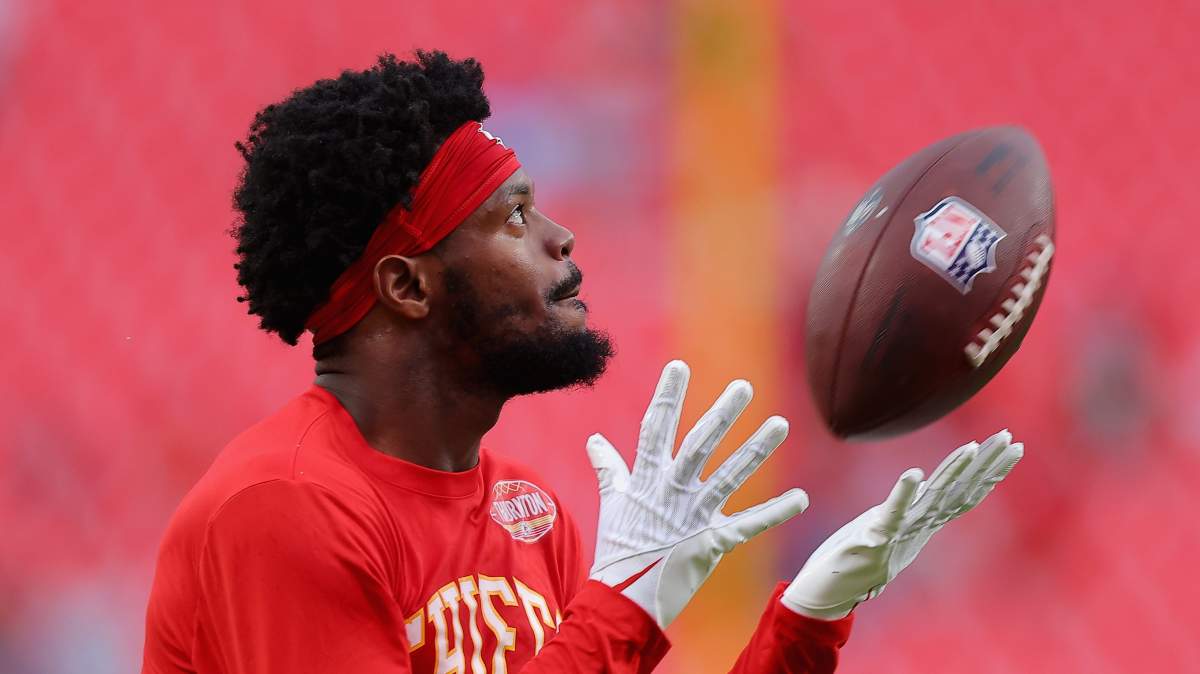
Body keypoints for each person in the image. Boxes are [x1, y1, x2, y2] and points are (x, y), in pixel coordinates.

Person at [142, 51, 1023, 673]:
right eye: (515, 219)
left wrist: (807, 622)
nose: (562, 238)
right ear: (408, 286)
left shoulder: (525, 513)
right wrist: (627, 601)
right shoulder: (283, 506)